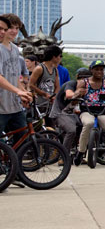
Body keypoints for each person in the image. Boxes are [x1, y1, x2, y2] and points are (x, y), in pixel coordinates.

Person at [0, 14, 33, 145]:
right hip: (1, 107)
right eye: (11, 28)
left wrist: (23, 92)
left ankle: (15, 165)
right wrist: (18, 91)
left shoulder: (15, 49)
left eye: (17, 28)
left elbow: (15, 77)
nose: (14, 31)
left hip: (15, 106)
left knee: (22, 140)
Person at [50, 67, 88, 154]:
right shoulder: (71, 84)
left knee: (85, 126)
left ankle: (79, 152)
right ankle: (64, 155)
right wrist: (78, 93)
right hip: (60, 112)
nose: (84, 82)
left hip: (72, 114)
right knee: (71, 130)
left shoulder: (87, 88)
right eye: (82, 79)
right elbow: (68, 94)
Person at [28, 45, 62, 117]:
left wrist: (54, 96)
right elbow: (31, 84)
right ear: (54, 57)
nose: (60, 58)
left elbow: (57, 86)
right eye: (60, 56)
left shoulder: (55, 70)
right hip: (39, 103)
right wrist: (44, 94)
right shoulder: (40, 68)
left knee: (51, 126)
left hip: (50, 104)